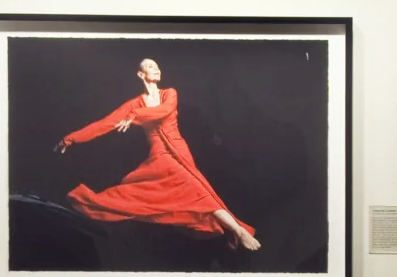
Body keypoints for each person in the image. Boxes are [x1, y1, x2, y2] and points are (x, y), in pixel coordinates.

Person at [55, 59, 261, 251]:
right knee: (190, 190)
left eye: (157, 66)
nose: (156, 69)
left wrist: (135, 115)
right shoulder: (133, 104)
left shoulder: (169, 93)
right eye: (151, 66)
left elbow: (164, 110)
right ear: (140, 74)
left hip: (179, 151)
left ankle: (238, 230)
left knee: (199, 190)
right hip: (160, 156)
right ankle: (239, 230)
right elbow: (105, 123)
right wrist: (71, 138)